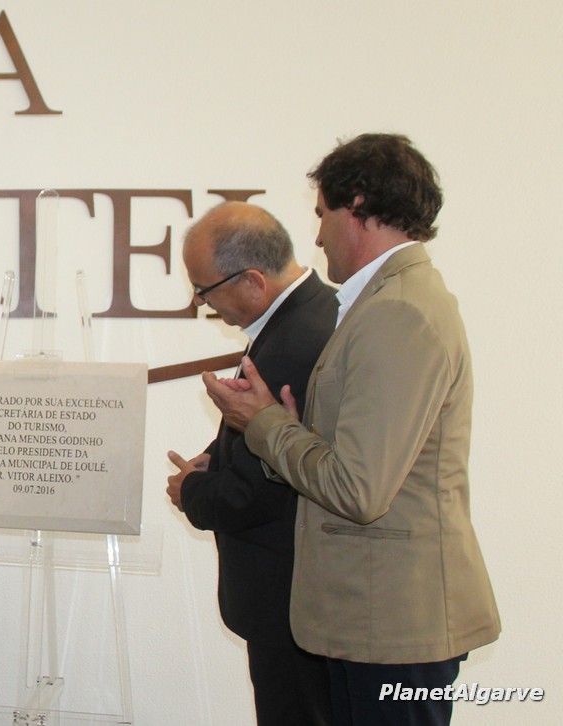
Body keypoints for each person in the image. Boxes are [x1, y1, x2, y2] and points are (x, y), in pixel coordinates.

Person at [203, 134, 500, 725]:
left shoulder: (397, 312)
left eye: (322, 214)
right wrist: (286, 429)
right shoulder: (387, 302)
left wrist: (263, 424)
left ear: (357, 206)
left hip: (392, 626)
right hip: (373, 622)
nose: (316, 238)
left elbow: (358, 489)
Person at [167, 202, 336, 725]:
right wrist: (218, 457)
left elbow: (263, 487)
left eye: (205, 289)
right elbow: (271, 438)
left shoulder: (291, 344)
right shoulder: (317, 313)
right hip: (307, 596)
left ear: (254, 281)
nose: (201, 302)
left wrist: (190, 491)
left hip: (290, 601)